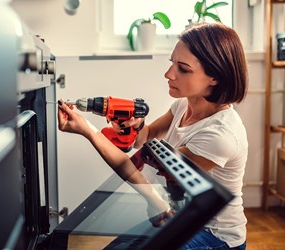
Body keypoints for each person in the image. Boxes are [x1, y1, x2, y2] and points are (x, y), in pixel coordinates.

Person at [57, 22, 248, 250]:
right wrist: (136, 125)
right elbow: (143, 138)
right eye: (172, 64)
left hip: (213, 237)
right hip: (179, 215)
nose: (169, 74)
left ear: (214, 76)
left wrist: (88, 130)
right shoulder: (182, 105)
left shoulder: (219, 136)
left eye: (183, 69)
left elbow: (137, 172)